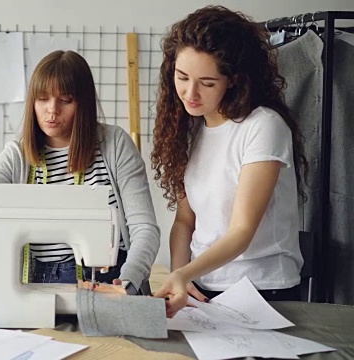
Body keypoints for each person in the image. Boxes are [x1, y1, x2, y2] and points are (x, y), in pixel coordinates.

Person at [0, 50, 160, 293]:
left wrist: (130, 278)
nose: (52, 110)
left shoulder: (115, 145)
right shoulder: (18, 156)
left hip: (110, 281)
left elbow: (144, 226)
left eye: (65, 100)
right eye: (42, 99)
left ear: (83, 103)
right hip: (35, 282)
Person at [150, 6, 308, 317]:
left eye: (207, 83)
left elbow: (241, 231)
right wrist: (182, 275)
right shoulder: (190, 127)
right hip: (202, 284)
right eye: (182, 77)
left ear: (234, 80)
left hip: (263, 289)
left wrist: (182, 275)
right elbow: (185, 221)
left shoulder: (262, 126)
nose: (190, 93)